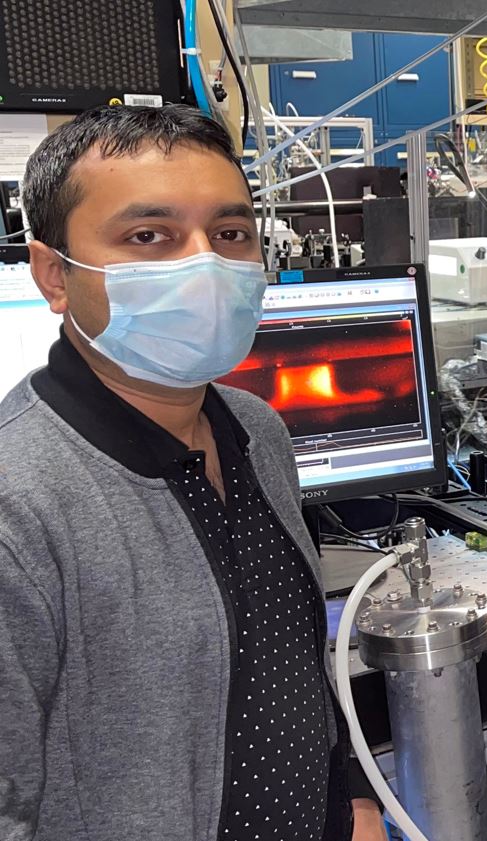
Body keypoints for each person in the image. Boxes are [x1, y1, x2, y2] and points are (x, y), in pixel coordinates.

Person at [0, 105, 385, 840]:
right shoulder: (19, 507)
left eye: (230, 233)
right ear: (54, 274)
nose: (205, 264)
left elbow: (287, 660)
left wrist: (354, 801)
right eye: (150, 236)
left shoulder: (255, 430)